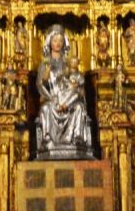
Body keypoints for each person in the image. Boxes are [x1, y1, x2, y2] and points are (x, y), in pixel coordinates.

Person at [36, 25, 95, 159]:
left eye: (60, 40)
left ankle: (77, 139)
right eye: (55, 40)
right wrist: (51, 97)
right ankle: (48, 140)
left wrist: (74, 89)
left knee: (79, 108)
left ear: (64, 43)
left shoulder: (68, 63)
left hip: (68, 100)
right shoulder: (44, 64)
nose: (58, 43)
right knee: (46, 109)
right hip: (52, 99)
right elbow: (40, 84)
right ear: (50, 42)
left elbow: (76, 80)